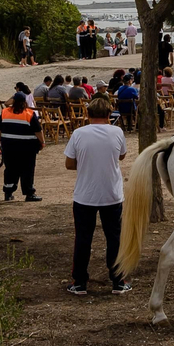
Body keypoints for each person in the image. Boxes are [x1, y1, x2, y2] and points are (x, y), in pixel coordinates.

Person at [63, 95, 130, 295]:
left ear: (88, 113)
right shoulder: (117, 132)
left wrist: (86, 164)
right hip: (111, 193)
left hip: (85, 195)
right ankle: (118, 281)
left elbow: (69, 163)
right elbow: (122, 155)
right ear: (109, 114)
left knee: (83, 239)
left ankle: (79, 282)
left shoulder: (78, 133)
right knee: (115, 238)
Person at [0, 92, 45, 202]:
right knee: (27, 170)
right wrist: (42, 142)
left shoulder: (4, 112)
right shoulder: (29, 113)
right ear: (25, 102)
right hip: (27, 148)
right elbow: (38, 131)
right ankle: (29, 193)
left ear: (14, 101)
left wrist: (1, 140)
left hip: (9, 147)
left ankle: (8, 192)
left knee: (10, 169)